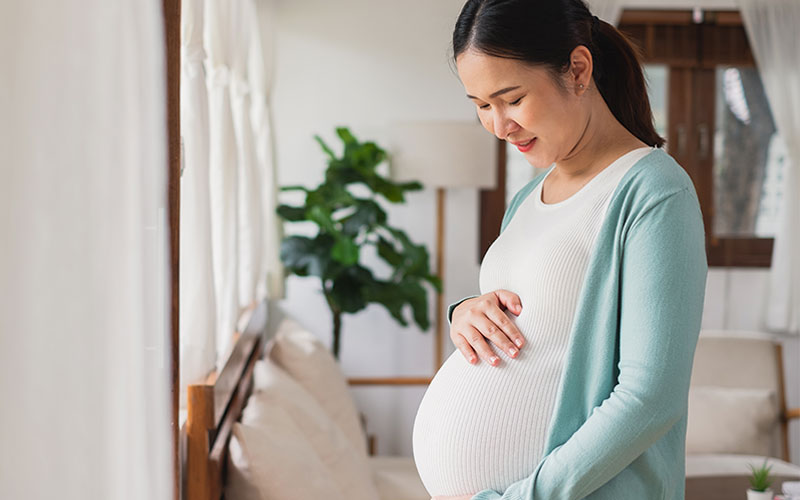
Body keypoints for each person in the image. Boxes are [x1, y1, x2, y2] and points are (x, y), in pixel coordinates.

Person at [410, 1, 709, 499]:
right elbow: (537, 322)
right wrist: (465, 312)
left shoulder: (654, 192)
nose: (499, 125)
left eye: (511, 98)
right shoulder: (528, 196)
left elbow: (650, 397)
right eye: (481, 104)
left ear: (577, 69)